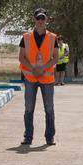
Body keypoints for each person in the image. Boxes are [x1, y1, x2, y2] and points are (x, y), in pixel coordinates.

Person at [19, 8, 58, 147]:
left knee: (49, 109)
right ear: (34, 19)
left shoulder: (53, 37)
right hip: (30, 78)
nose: (40, 21)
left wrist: (42, 68)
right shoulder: (26, 37)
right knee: (29, 109)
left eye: (43, 18)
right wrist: (33, 69)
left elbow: (55, 58)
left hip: (47, 79)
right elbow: (21, 57)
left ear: (46, 19)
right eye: (38, 18)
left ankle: (50, 138)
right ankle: (28, 137)